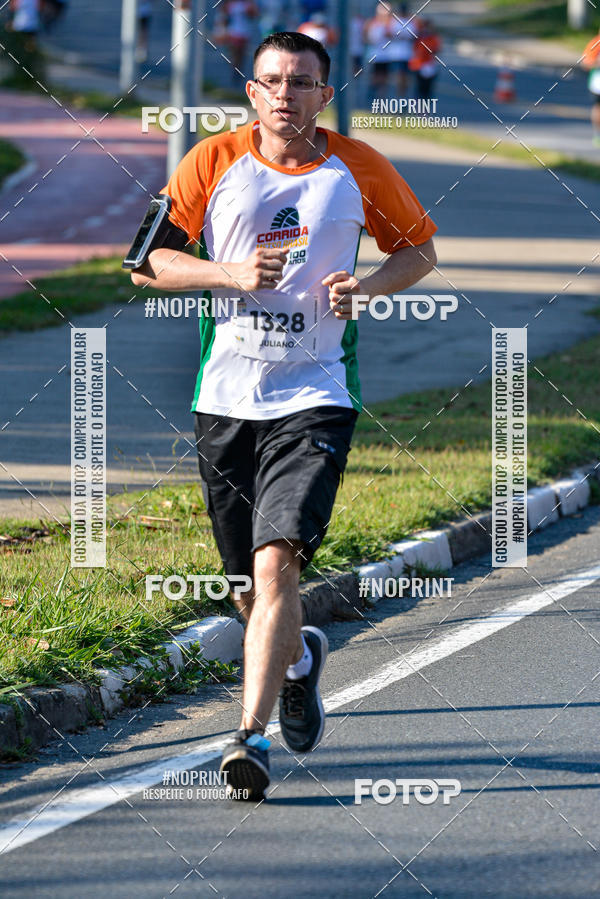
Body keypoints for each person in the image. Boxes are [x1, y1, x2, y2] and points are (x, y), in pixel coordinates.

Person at [129, 31, 437, 800]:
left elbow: (420, 251)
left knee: (277, 564)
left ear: (323, 95)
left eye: (300, 83)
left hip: (317, 394)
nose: (283, 95)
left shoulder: (358, 166)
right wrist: (224, 270)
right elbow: (144, 261)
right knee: (247, 587)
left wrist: (365, 288)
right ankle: (298, 664)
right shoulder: (211, 161)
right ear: (251, 92)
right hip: (226, 399)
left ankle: (249, 736)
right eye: (270, 81)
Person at [364, 2, 393, 101]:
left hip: (387, 55)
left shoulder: (390, 24)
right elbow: (366, 37)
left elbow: (394, 36)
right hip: (375, 55)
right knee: (375, 76)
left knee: (384, 78)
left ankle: (381, 98)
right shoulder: (372, 23)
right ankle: (373, 93)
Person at [386, 3, 414, 98]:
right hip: (396, 54)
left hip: (407, 54)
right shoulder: (395, 22)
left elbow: (414, 36)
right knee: (399, 76)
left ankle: (403, 96)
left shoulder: (411, 22)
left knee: (406, 78)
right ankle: (399, 97)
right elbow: (389, 34)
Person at [410, 16, 441, 101]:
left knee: (428, 90)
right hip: (419, 65)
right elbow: (415, 50)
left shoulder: (433, 38)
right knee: (419, 88)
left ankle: (424, 110)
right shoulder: (419, 38)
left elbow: (436, 50)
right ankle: (419, 108)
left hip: (429, 65)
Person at [582, 30, 600, 146]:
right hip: (597, 84)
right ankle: (598, 134)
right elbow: (586, 63)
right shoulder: (596, 43)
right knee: (598, 108)